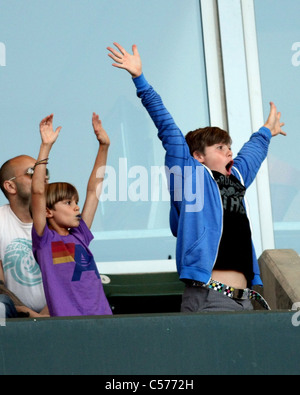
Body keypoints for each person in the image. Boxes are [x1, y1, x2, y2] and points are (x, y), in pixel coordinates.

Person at [107, 42, 286, 312]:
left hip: (244, 300)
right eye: (220, 148)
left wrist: (265, 132)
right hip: (210, 297)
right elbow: (168, 130)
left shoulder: (235, 177)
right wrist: (140, 79)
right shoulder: (190, 177)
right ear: (198, 156)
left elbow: (252, 153)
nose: (229, 152)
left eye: (229, 147)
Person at [31, 113, 112, 317]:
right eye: (68, 203)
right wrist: (46, 146)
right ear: (48, 211)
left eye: (75, 202)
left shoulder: (79, 235)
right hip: (68, 326)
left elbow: (93, 191)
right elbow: (38, 192)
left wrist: (104, 147)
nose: (76, 207)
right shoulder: (44, 240)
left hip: (102, 320)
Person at [0, 155, 49, 317]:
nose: (44, 176)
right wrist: (28, 314)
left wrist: (46, 316)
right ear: (11, 186)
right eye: (32, 171)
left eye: (44, 170)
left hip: (58, 315)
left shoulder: (57, 217)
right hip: (14, 318)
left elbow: (68, 278)